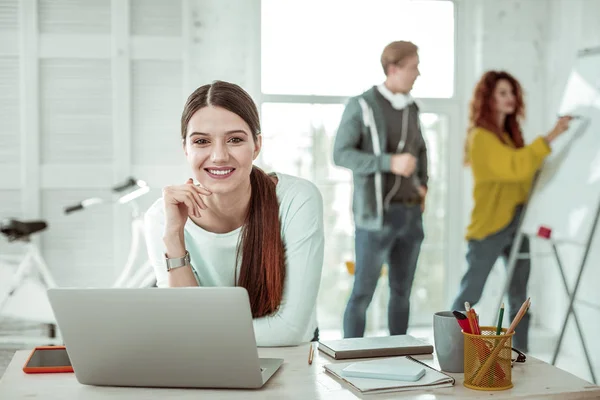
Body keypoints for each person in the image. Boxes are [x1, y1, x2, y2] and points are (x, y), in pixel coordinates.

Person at [144, 80, 325, 347]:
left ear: (257, 145)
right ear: (186, 149)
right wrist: (173, 239)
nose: (218, 156)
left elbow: (291, 329)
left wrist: (199, 335)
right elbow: (184, 320)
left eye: (235, 140)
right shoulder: (162, 217)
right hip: (211, 359)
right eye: (202, 141)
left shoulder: (296, 199)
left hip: (293, 356)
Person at [451, 70, 572, 352]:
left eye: (512, 93)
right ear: (488, 99)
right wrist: (551, 136)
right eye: (502, 93)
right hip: (489, 227)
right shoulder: (480, 137)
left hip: (517, 222)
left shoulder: (509, 136)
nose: (511, 98)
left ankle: (522, 356)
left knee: (520, 297)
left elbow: (523, 173)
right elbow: (514, 168)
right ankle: (452, 348)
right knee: (471, 293)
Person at [333, 41, 428, 337]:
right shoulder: (361, 105)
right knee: (363, 292)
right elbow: (341, 154)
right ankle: (349, 359)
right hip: (376, 218)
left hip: (410, 215)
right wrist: (389, 162)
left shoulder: (412, 108)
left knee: (402, 293)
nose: (418, 73)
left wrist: (424, 185)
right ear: (393, 69)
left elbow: (421, 150)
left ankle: (399, 356)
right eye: (414, 67)